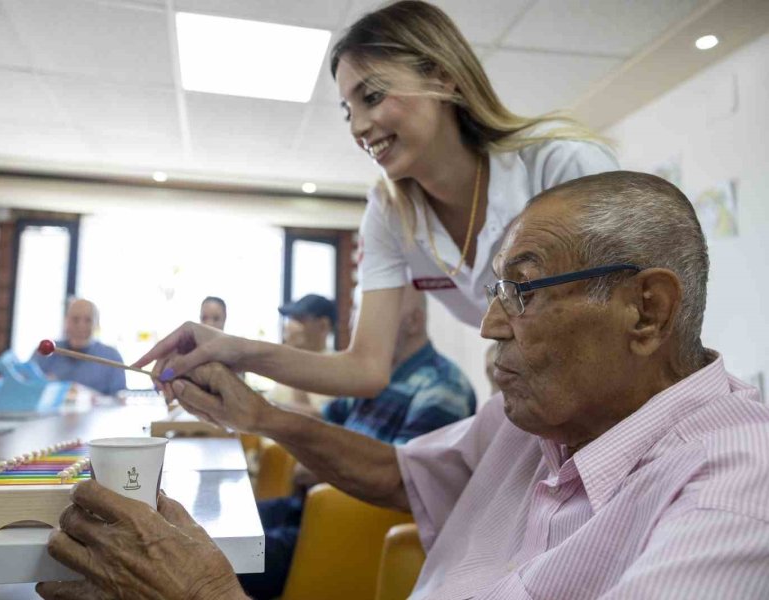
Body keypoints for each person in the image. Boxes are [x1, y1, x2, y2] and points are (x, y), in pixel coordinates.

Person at [38, 172, 769, 600]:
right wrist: (259, 414)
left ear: (646, 311)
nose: (487, 326)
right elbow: (403, 473)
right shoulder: (536, 419)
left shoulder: (735, 484)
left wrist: (205, 593)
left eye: (521, 291)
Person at [133, 0, 619, 400]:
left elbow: (623, 323)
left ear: (444, 76)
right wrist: (232, 349)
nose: (358, 127)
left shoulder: (562, 166)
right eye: (348, 109)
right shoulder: (390, 214)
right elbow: (366, 369)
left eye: (373, 96)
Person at [241, 286, 476, 599]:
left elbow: (407, 483)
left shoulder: (442, 387)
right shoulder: (373, 379)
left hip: (346, 531)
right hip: (308, 510)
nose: (355, 325)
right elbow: (322, 422)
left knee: (213, 559)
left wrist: (316, 468)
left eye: (369, 314)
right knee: (214, 529)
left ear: (414, 322)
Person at [32, 298, 125, 396]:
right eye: (75, 319)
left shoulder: (112, 358)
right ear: (66, 321)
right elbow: (27, 387)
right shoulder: (46, 352)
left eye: (88, 320)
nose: (81, 326)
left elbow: (119, 399)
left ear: (97, 324)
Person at [269, 294, 336, 411]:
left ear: (323, 326)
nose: (290, 326)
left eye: (300, 319)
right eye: (291, 319)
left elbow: (316, 420)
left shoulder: (337, 368)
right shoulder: (285, 366)